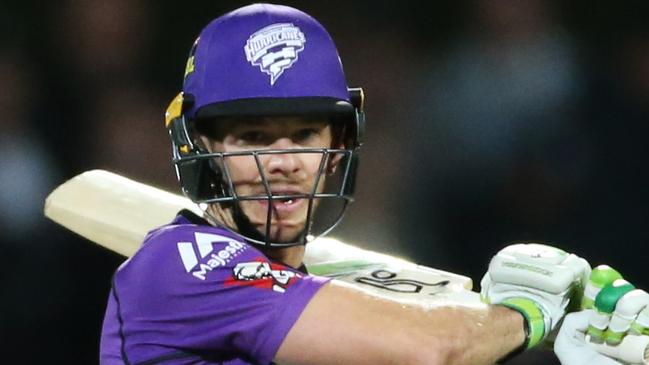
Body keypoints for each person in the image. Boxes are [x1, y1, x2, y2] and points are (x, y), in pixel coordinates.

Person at [99, 4, 647, 365]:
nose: (283, 163)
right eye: (253, 137)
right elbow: (435, 349)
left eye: (305, 134)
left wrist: (569, 329)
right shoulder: (178, 266)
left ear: (338, 147)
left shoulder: (311, 293)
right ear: (203, 148)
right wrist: (529, 315)